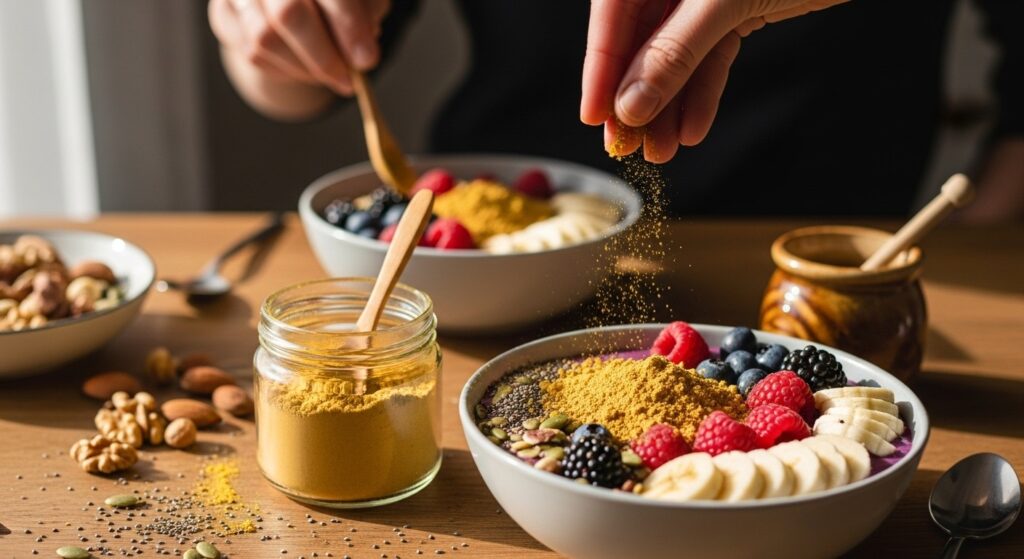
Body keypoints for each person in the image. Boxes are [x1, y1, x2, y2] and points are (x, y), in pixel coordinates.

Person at [209, 0, 1024, 221]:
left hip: (819, 241)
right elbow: (303, 88)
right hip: (494, 254)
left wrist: (983, 230)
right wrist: (272, 33)